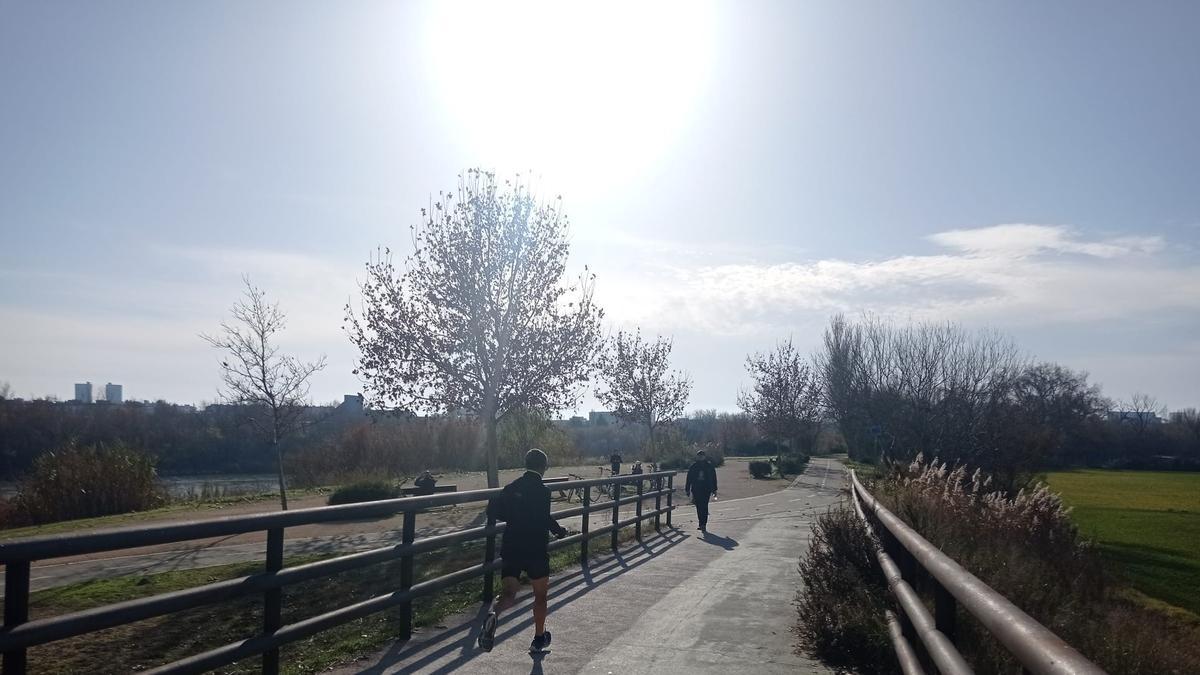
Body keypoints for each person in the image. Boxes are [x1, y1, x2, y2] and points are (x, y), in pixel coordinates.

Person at [478, 448, 568, 654]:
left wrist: (513, 514)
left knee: (509, 593)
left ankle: (494, 614)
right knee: (540, 596)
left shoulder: (511, 487)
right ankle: (538, 639)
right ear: (543, 467)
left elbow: (493, 510)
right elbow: (545, 518)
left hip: (512, 546)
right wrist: (559, 531)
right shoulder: (543, 491)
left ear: (525, 464)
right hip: (535, 548)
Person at [685, 449, 718, 533]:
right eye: (699, 456)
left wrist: (714, 489)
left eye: (702, 456)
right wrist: (687, 489)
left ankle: (704, 524)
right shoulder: (694, 466)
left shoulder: (709, 466)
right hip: (696, 489)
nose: (700, 457)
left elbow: (713, 478)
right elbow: (689, 478)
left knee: (704, 505)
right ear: (697, 457)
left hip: (706, 489)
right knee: (699, 506)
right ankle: (701, 523)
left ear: (704, 456)